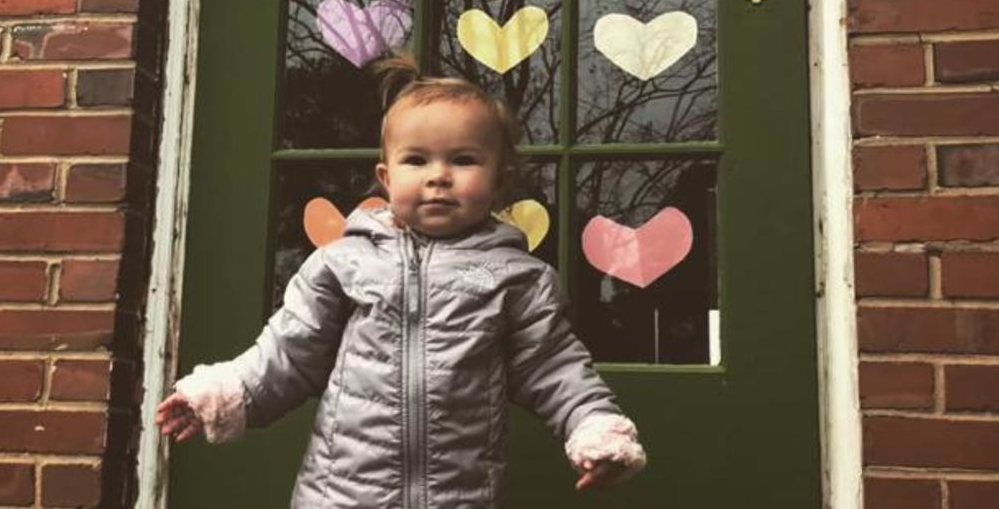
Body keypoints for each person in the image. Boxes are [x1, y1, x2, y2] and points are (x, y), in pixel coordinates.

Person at [155, 53, 646, 507]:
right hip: (340, 496)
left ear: (500, 180)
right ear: (387, 179)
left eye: (463, 160)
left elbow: (554, 367)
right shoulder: (344, 264)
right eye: (417, 160)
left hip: (458, 498)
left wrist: (594, 427)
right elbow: (289, 351)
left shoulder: (517, 279)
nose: (438, 176)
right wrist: (221, 394)